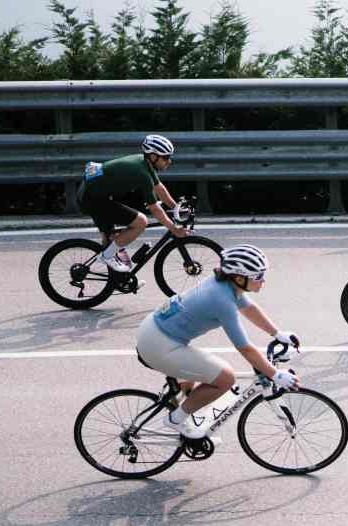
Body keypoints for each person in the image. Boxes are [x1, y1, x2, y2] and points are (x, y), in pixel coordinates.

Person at [135, 244, 301, 439]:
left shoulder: (224, 285)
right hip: (159, 346)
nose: (263, 280)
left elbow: (249, 309)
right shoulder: (221, 300)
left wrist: (277, 333)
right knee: (225, 378)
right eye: (258, 276)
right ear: (239, 278)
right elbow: (245, 348)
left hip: (154, 331)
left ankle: (180, 402)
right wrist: (274, 374)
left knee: (199, 374)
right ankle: (175, 419)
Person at [79, 134, 188, 272]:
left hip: (95, 193)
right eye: (166, 157)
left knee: (113, 242)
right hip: (92, 199)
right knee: (141, 222)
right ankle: (107, 256)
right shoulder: (142, 173)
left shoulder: (145, 163)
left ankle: (116, 278)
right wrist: (174, 229)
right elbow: (154, 209)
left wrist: (176, 207)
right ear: (153, 157)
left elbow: (159, 187)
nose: (169, 161)